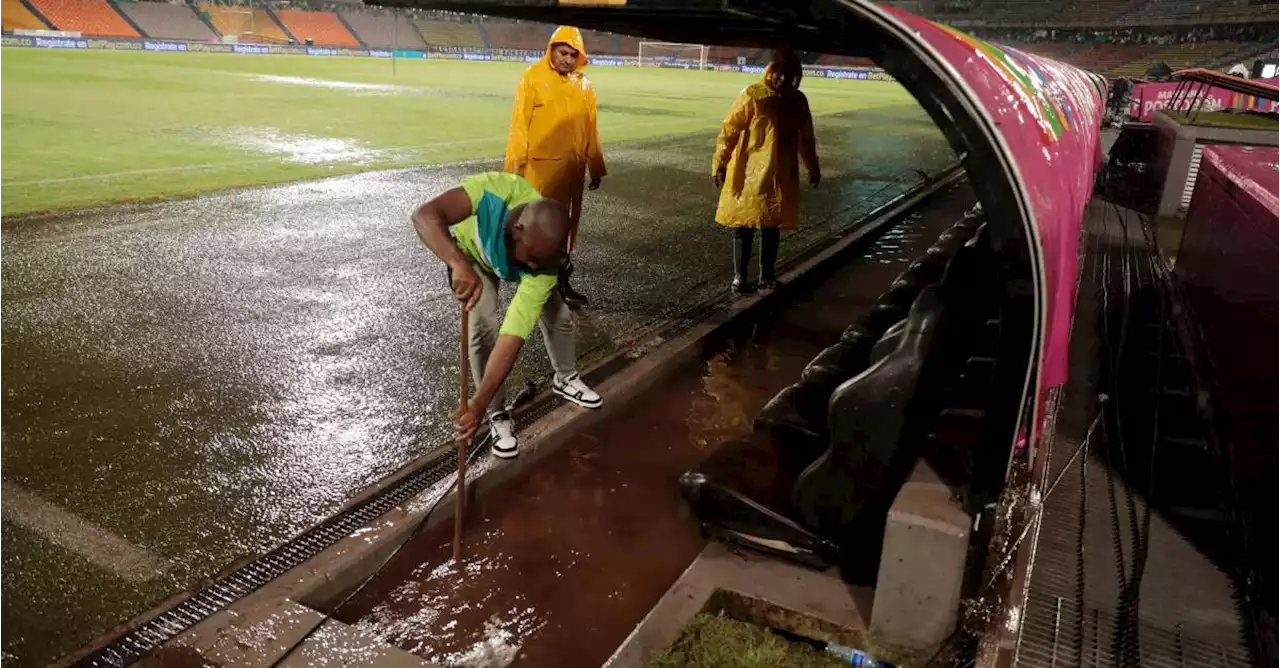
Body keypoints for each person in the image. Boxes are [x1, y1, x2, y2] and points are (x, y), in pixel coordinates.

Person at [412, 171, 603, 459]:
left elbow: (513, 336)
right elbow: (424, 215)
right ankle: (496, 412)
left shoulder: (542, 266)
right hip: (474, 258)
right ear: (518, 228)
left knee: (558, 315)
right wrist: (457, 262)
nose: (530, 266)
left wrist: (475, 403)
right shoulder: (495, 191)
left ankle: (564, 378)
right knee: (483, 326)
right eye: (530, 256)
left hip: (511, 256)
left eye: (539, 261)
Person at [504, 25, 606, 309]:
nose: (568, 60)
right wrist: (514, 171)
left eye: (574, 55)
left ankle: (560, 284)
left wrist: (595, 167)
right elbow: (519, 127)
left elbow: (591, 129)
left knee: (565, 230)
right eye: (563, 53)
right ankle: (534, 289)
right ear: (552, 49)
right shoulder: (532, 79)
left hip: (572, 174)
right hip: (541, 173)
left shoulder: (584, 85)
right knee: (539, 230)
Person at [712, 47, 821, 294]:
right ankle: (740, 278)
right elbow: (729, 131)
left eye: (789, 75)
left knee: (771, 226)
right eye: (779, 73)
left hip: (780, 175)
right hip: (748, 173)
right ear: (770, 71)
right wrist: (719, 162)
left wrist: (813, 167)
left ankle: (767, 276)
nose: (782, 79)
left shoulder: (797, 101)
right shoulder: (753, 95)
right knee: (744, 225)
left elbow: (806, 138)